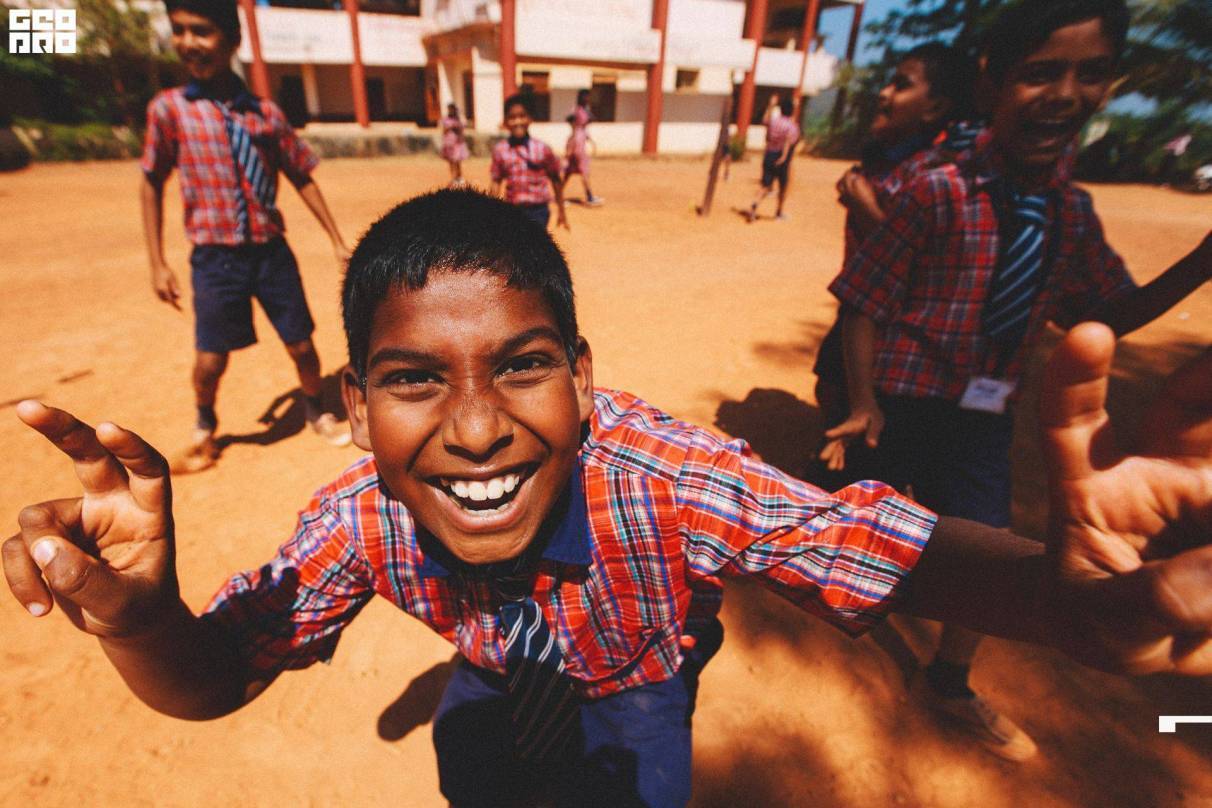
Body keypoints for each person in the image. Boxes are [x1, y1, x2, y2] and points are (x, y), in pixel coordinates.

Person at [8, 188, 1212, 808]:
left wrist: (1065, 608)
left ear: (583, 379)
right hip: (492, 676)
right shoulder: (360, 516)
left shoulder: (666, 478)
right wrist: (140, 621)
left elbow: (860, 542)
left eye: (523, 365)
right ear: (357, 405)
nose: (476, 426)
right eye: (414, 379)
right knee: (483, 782)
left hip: (641, 686)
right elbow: (218, 676)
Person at [826, 0, 1212, 761]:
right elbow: (863, 300)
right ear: (991, 85)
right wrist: (863, 400)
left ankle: (948, 679)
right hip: (904, 399)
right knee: (881, 524)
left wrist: (1201, 262)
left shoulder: (1072, 213)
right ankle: (852, 619)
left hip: (986, 411)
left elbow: (1101, 317)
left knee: (991, 530)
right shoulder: (935, 188)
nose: (1065, 94)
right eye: (1040, 73)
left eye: (1090, 74)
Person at [140, 0, 353, 473]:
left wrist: (335, 238)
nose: (189, 42)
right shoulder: (170, 110)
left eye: (202, 31)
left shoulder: (265, 114)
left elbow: (301, 175)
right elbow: (151, 181)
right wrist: (157, 262)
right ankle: (205, 425)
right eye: (180, 31)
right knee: (210, 360)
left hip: (271, 253)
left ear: (232, 40)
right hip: (214, 258)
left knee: (302, 346)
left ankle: (315, 409)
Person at [815, 43, 979, 481]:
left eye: (901, 85)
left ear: (936, 107)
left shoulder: (933, 175)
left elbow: (921, 261)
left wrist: (866, 208)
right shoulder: (886, 158)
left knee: (876, 448)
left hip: (891, 331)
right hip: (856, 311)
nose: (884, 93)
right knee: (831, 384)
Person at [490, 93, 569, 231]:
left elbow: (555, 179)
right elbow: (496, 181)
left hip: (538, 212)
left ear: (530, 118)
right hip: (512, 211)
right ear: (506, 121)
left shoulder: (542, 149)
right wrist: (490, 213)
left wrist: (561, 211)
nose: (517, 122)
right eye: (512, 117)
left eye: (522, 116)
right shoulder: (501, 150)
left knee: (534, 243)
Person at [745, 94, 801, 222]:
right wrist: (784, 157)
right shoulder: (792, 126)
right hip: (782, 157)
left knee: (765, 185)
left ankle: (755, 204)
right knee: (783, 187)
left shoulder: (774, 121)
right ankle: (778, 212)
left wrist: (770, 106)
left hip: (769, 154)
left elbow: (765, 120)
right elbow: (790, 141)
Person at [563, 89, 604, 206]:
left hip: (577, 141)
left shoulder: (582, 110)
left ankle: (559, 194)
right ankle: (590, 197)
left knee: (568, 172)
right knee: (584, 170)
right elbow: (574, 124)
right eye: (586, 96)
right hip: (578, 144)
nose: (588, 99)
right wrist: (572, 146)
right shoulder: (578, 111)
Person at [440, 103, 470, 187]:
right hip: (449, 143)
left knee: (457, 161)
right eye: (449, 109)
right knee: (451, 162)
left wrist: (458, 120)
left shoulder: (459, 119)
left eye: (452, 109)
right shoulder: (445, 119)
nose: (451, 111)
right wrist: (450, 127)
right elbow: (444, 130)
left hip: (457, 144)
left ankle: (459, 177)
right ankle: (453, 178)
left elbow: (463, 126)